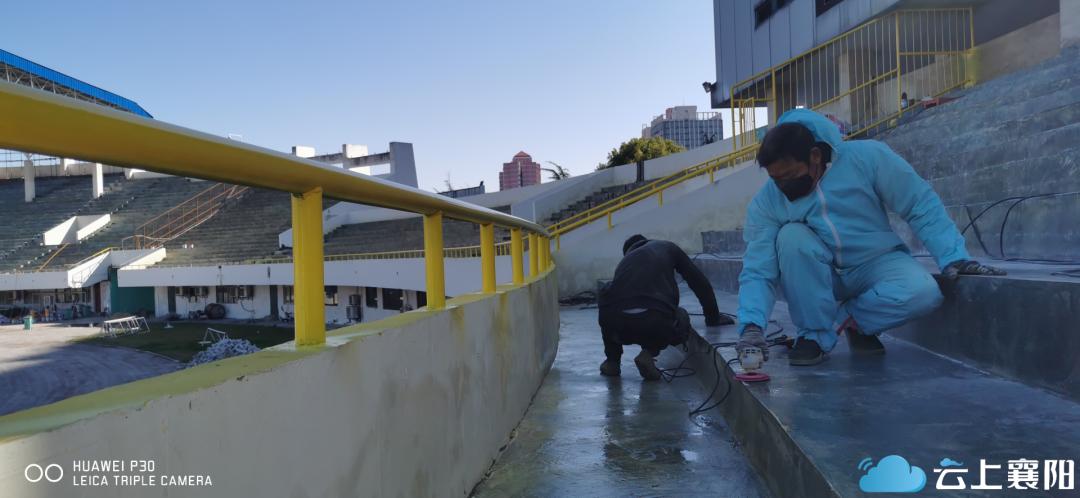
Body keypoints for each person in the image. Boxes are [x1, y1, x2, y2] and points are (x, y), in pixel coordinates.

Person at [735, 109, 1004, 366]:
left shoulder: (867, 158)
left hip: (875, 262)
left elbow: (917, 202)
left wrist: (953, 256)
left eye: (790, 176)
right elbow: (759, 268)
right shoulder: (767, 202)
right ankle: (812, 335)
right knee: (791, 237)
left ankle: (853, 321)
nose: (783, 187)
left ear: (815, 156)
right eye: (775, 179)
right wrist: (751, 326)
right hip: (822, 274)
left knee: (924, 293)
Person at [598, 235, 732, 380]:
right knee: (680, 316)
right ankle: (648, 353)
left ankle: (612, 362)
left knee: (612, 305)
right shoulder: (668, 247)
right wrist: (713, 317)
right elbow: (699, 282)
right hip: (654, 321)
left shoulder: (625, 262)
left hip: (617, 325)